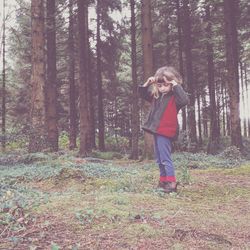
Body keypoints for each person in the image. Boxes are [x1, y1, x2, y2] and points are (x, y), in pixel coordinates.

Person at [138, 66, 189, 193]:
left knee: (165, 158)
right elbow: (142, 94)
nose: (162, 88)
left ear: (171, 83)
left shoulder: (175, 98)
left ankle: (171, 183)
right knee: (159, 158)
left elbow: (184, 100)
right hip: (156, 131)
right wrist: (147, 83)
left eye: (166, 85)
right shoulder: (156, 96)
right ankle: (163, 181)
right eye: (159, 85)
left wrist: (176, 85)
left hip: (166, 132)